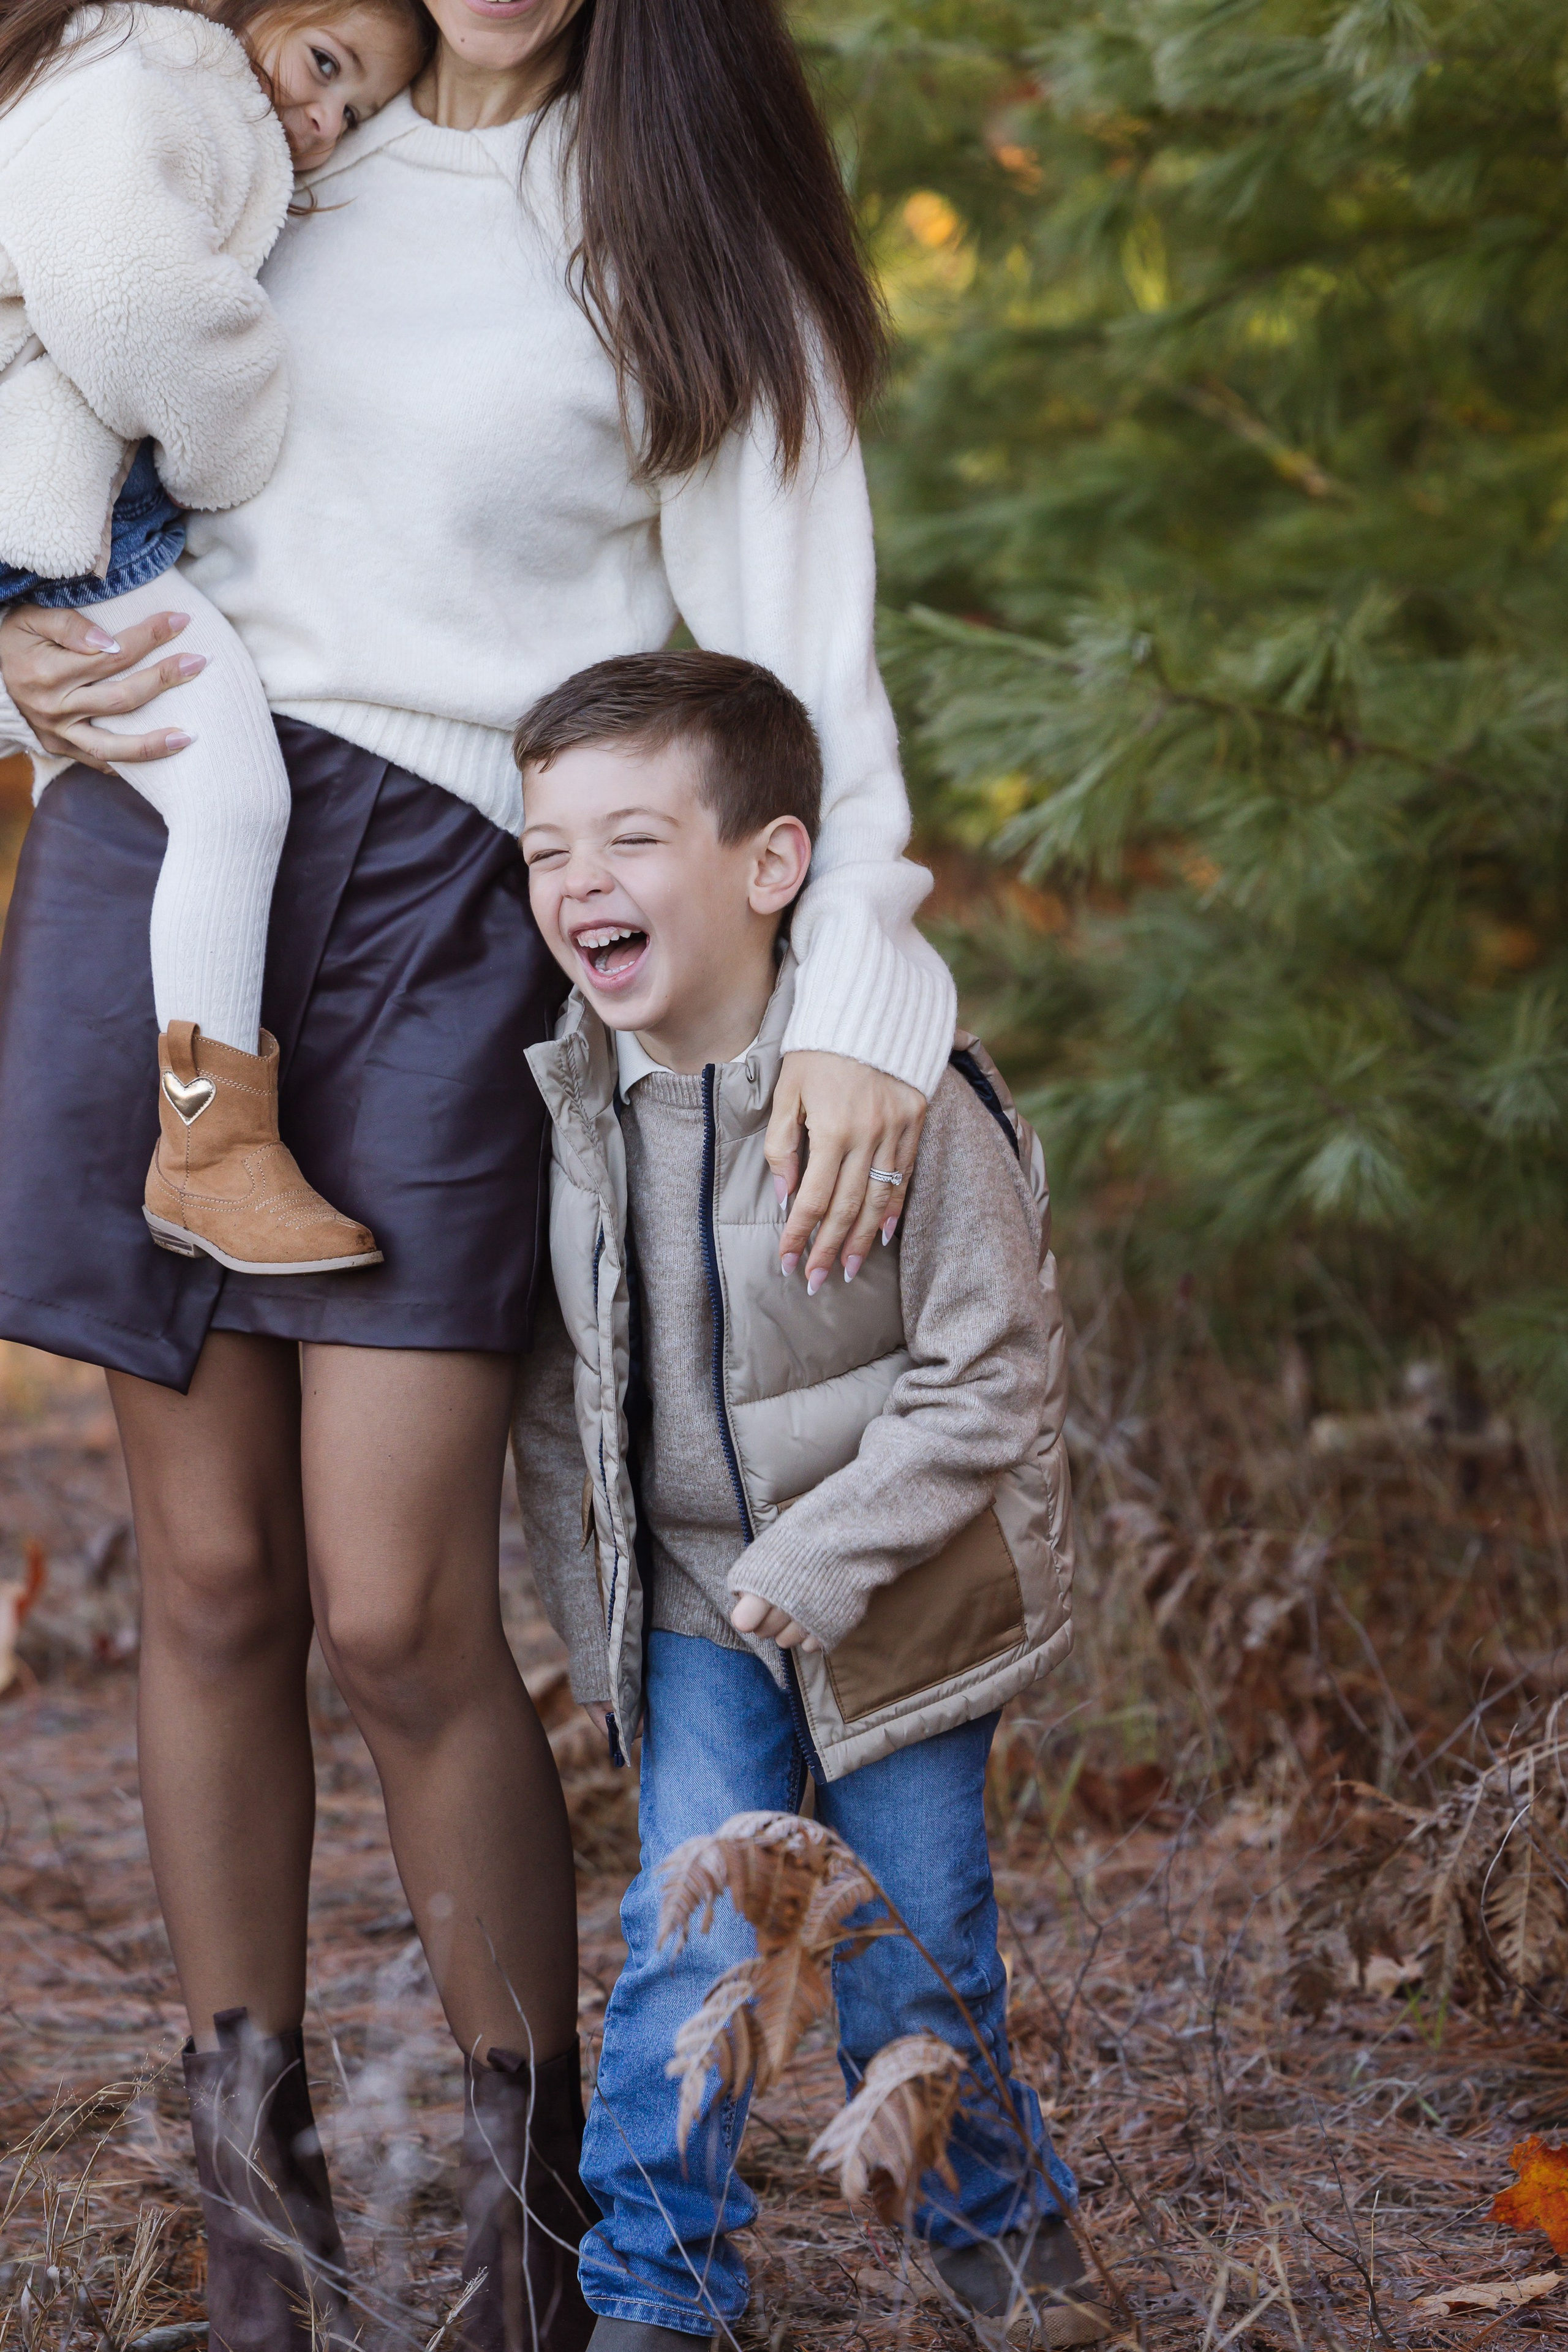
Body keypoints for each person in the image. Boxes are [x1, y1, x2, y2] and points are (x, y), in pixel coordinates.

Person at [0, 0, 960, 2343]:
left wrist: (860, 996)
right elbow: (44, 402)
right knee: (207, 1581)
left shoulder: (677, 221)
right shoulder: (250, 134)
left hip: (460, 905)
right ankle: (265, 2233)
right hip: (163, 864)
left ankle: (544, 2229)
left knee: (397, 1602)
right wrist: (21, 651)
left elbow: (797, 669)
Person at [511, 651, 1109, 2351]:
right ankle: (660, 2295)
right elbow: (568, 1398)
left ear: (773, 866)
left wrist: (819, 1559)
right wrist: (606, 1617)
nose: (577, 886)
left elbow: (992, 1378)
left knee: (916, 1961)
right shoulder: (572, 1109)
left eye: (627, 840)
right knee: (686, 1947)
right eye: (547, 850)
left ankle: (1009, 2247)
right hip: (701, 1612)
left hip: (897, 1603)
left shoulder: (901, 1101)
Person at [0, 0, 430, 1275]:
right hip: (52, 498)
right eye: (324, 66)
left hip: (49, 493)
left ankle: (207, 1150)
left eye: (349, 112)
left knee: (217, 794)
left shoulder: (126, 67)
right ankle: (209, 1151)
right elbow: (133, 300)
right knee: (237, 799)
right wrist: (231, 436)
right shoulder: (159, 69)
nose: (320, 119)